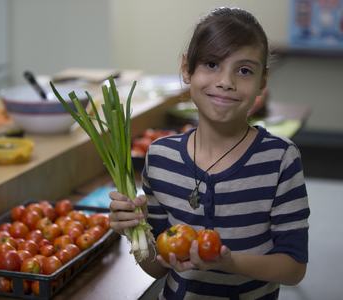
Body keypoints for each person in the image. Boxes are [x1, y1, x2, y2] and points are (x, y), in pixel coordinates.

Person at [109, 7, 310, 299]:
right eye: (212, 64)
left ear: (261, 83)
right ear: (186, 69)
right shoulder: (160, 157)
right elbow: (159, 268)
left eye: (244, 70)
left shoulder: (280, 159)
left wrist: (229, 262)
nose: (226, 81)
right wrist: (133, 232)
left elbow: (293, 268)